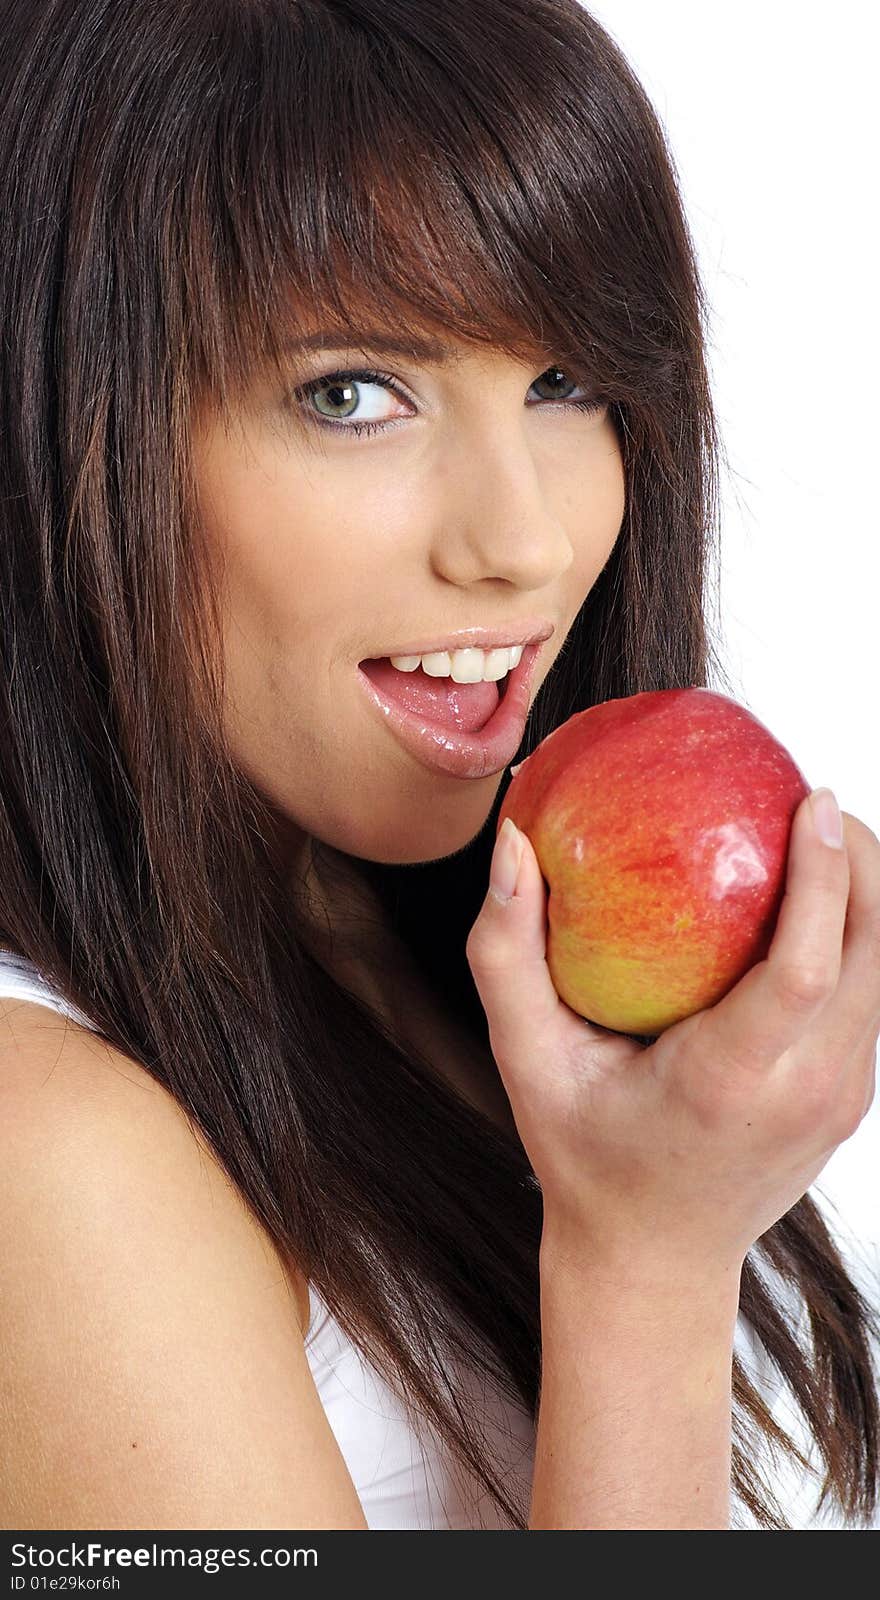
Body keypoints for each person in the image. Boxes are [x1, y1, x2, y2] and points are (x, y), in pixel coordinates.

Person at [0, 0, 877, 1533]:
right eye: (353, 394)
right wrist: (646, 1267)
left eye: (565, 387)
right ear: (55, 436)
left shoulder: (421, 944)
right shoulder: (44, 1152)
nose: (527, 541)